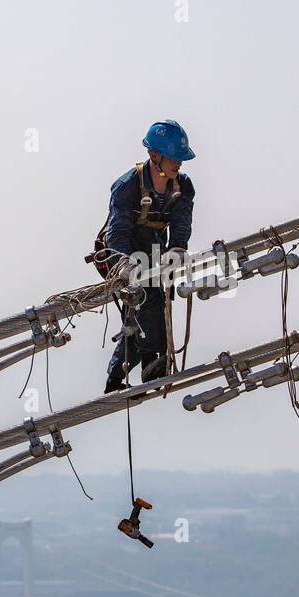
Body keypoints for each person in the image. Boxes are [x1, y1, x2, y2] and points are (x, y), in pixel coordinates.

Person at [102, 119, 196, 392]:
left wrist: (177, 247)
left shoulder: (182, 187)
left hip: (154, 249)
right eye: (174, 157)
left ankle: (144, 368)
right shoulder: (127, 186)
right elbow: (116, 232)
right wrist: (124, 264)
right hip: (120, 251)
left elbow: (181, 222)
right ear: (155, 156)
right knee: (142, 305)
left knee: (156, 303)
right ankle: (125, 376)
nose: (179, 163)